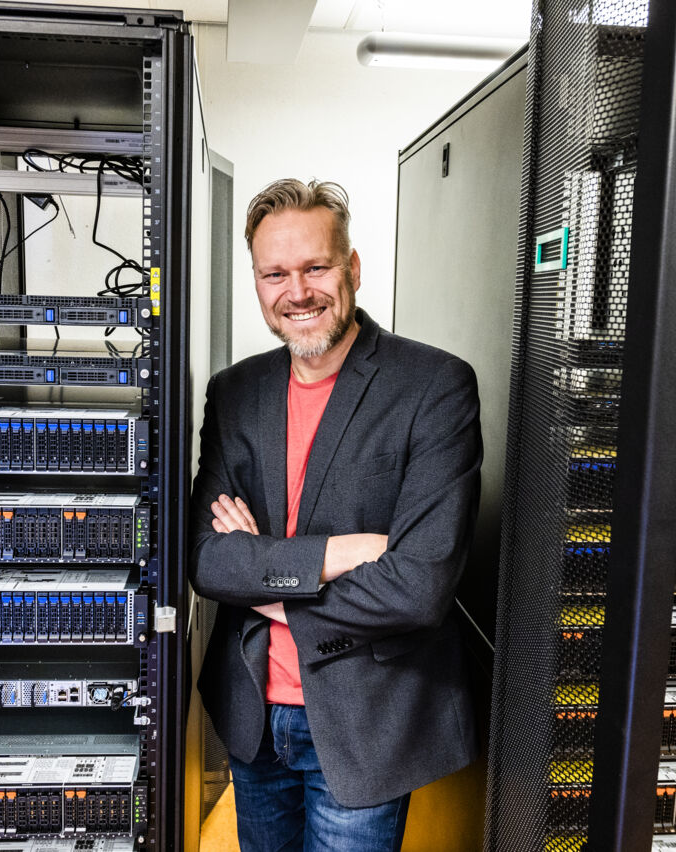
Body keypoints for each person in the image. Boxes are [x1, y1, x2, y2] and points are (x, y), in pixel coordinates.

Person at [189, 178, 481, 852]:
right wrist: (341, 553)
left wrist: (262, 579)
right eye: (275, 274)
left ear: (351, 267)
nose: (298, 292)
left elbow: (419, 587)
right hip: (254, 715)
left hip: (365, 721)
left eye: (316, 267)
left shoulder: (433, 386)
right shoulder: (235, 392)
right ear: (257, 282)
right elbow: (206, 559)